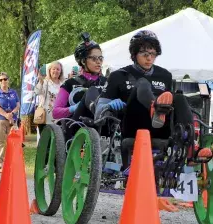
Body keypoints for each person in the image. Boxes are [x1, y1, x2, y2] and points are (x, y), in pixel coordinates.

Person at [95, 30, 212, 169]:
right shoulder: (118, 75)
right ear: (134, 54)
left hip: (160, 126)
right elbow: (98, 112)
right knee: (142, 83)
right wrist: (110, 105)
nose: (149, 58)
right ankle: (155, 107)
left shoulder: (165, 75)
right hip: (132, 125)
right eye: (145, 54)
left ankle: (191, 149)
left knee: (179, 97)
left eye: (153, 54)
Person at [52, 32, 107, 134]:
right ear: (82, 61)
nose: (98, 62)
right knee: (91, 91)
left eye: (100, 58)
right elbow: (55, 113)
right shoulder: (69, 83)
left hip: (104, 128)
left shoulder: (107, 82)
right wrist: (72, 108)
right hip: (76, 128)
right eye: (94, 58)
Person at [0, 72, 20, 172]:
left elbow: (18, 105)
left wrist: (12, 113)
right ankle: (0, 163)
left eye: (5, 79)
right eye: (1, 80)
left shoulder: (13, 92)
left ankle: (13, 162)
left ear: (8, 80)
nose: (3, 81)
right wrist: (6, 114)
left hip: (12, 120)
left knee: (14, 141)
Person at [34, 61, 64, 134]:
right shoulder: (45, 82)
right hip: (45, 117)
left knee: (58, 141)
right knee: (46, 142)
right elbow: (37, 92)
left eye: (58, 69)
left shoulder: (63, 84)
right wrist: (40, 82)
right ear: (49, 70)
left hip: (59, 118)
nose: (55, 71)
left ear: (60, 72)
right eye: (54, 69)